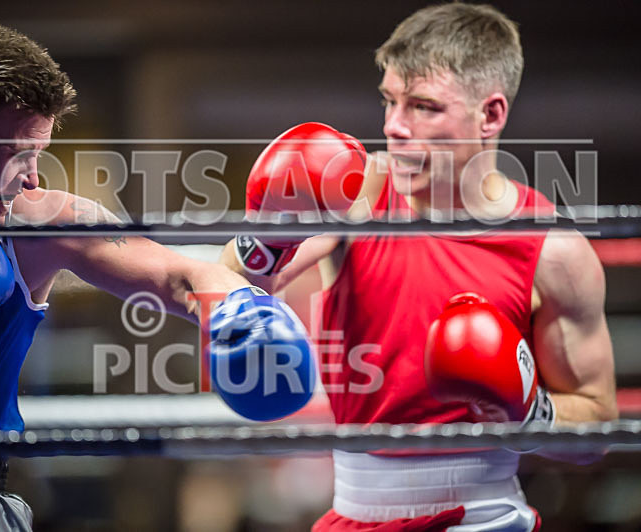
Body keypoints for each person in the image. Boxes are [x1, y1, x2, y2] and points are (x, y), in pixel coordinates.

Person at [0, 20, 313, 530]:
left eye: (38, 154)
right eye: (20, 154)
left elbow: (181, 276)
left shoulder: (42, 222)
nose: (34, 176)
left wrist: (237, 311)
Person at [221, 4, 618, 531]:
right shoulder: (358, 191)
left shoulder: (552, 251)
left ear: (491, 115)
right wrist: (268, 234)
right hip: (354, 513)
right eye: (390, 101)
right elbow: (231, 285)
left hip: (485, 517)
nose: (394, 127)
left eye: (424, 107)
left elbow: (597, 427)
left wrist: (528, 410)